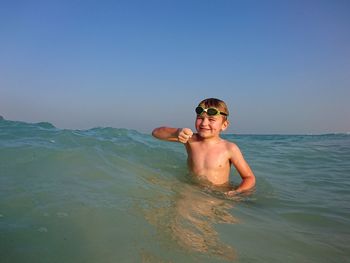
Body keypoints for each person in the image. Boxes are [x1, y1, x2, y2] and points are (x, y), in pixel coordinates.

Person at [152, 98, 256, 195]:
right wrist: (176, 132)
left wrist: (238, 192)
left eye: (211, 119)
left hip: (220, 194)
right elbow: (156, 133)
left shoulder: (229, 148)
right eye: (200, 118)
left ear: (224, 125)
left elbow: (249, 178)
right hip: (193, 190)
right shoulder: (190, 139)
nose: (204, 123)